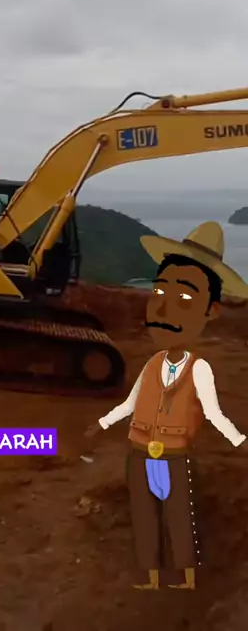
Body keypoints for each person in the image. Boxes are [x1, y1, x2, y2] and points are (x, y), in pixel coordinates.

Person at [83, 221, 248, 590]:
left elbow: (214, 413)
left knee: (177, 517)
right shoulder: (153, 364)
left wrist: (239, 441)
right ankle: (152, 578)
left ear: (210, 312)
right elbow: (131, 402)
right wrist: (103, 423)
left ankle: (186, 579)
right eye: (160, 291)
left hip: (173, 454)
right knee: (146, 517)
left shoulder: (198, 369)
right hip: (142, 450)